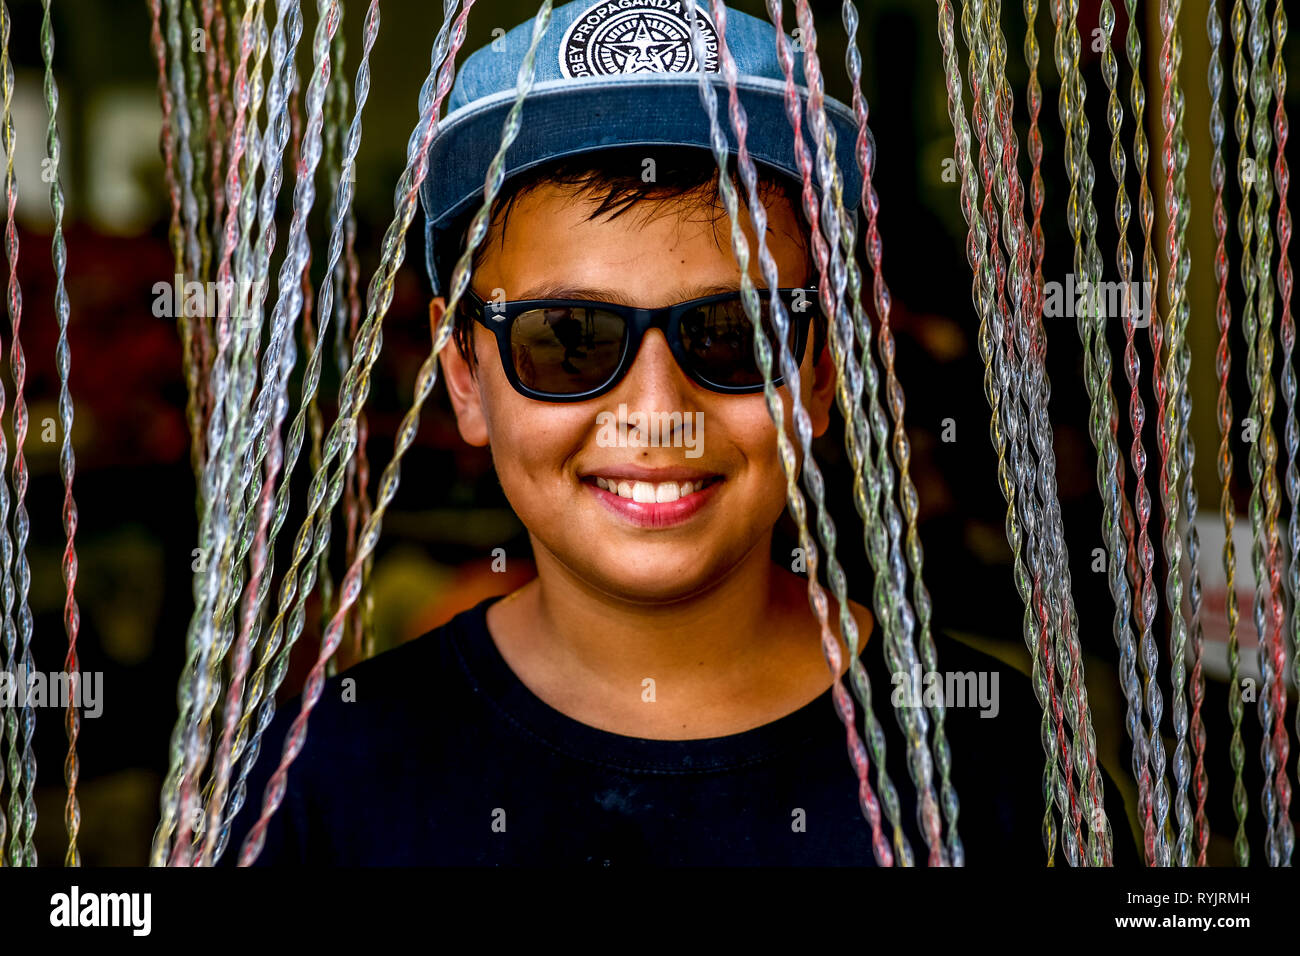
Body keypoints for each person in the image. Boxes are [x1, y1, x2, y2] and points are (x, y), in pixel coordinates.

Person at [221, 0, 1137, 866]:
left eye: (735, 335)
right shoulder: (323, 778)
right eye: (567, 340)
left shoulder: (998, 755)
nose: (657, 410)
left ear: (821, 371)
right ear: (464, 376)